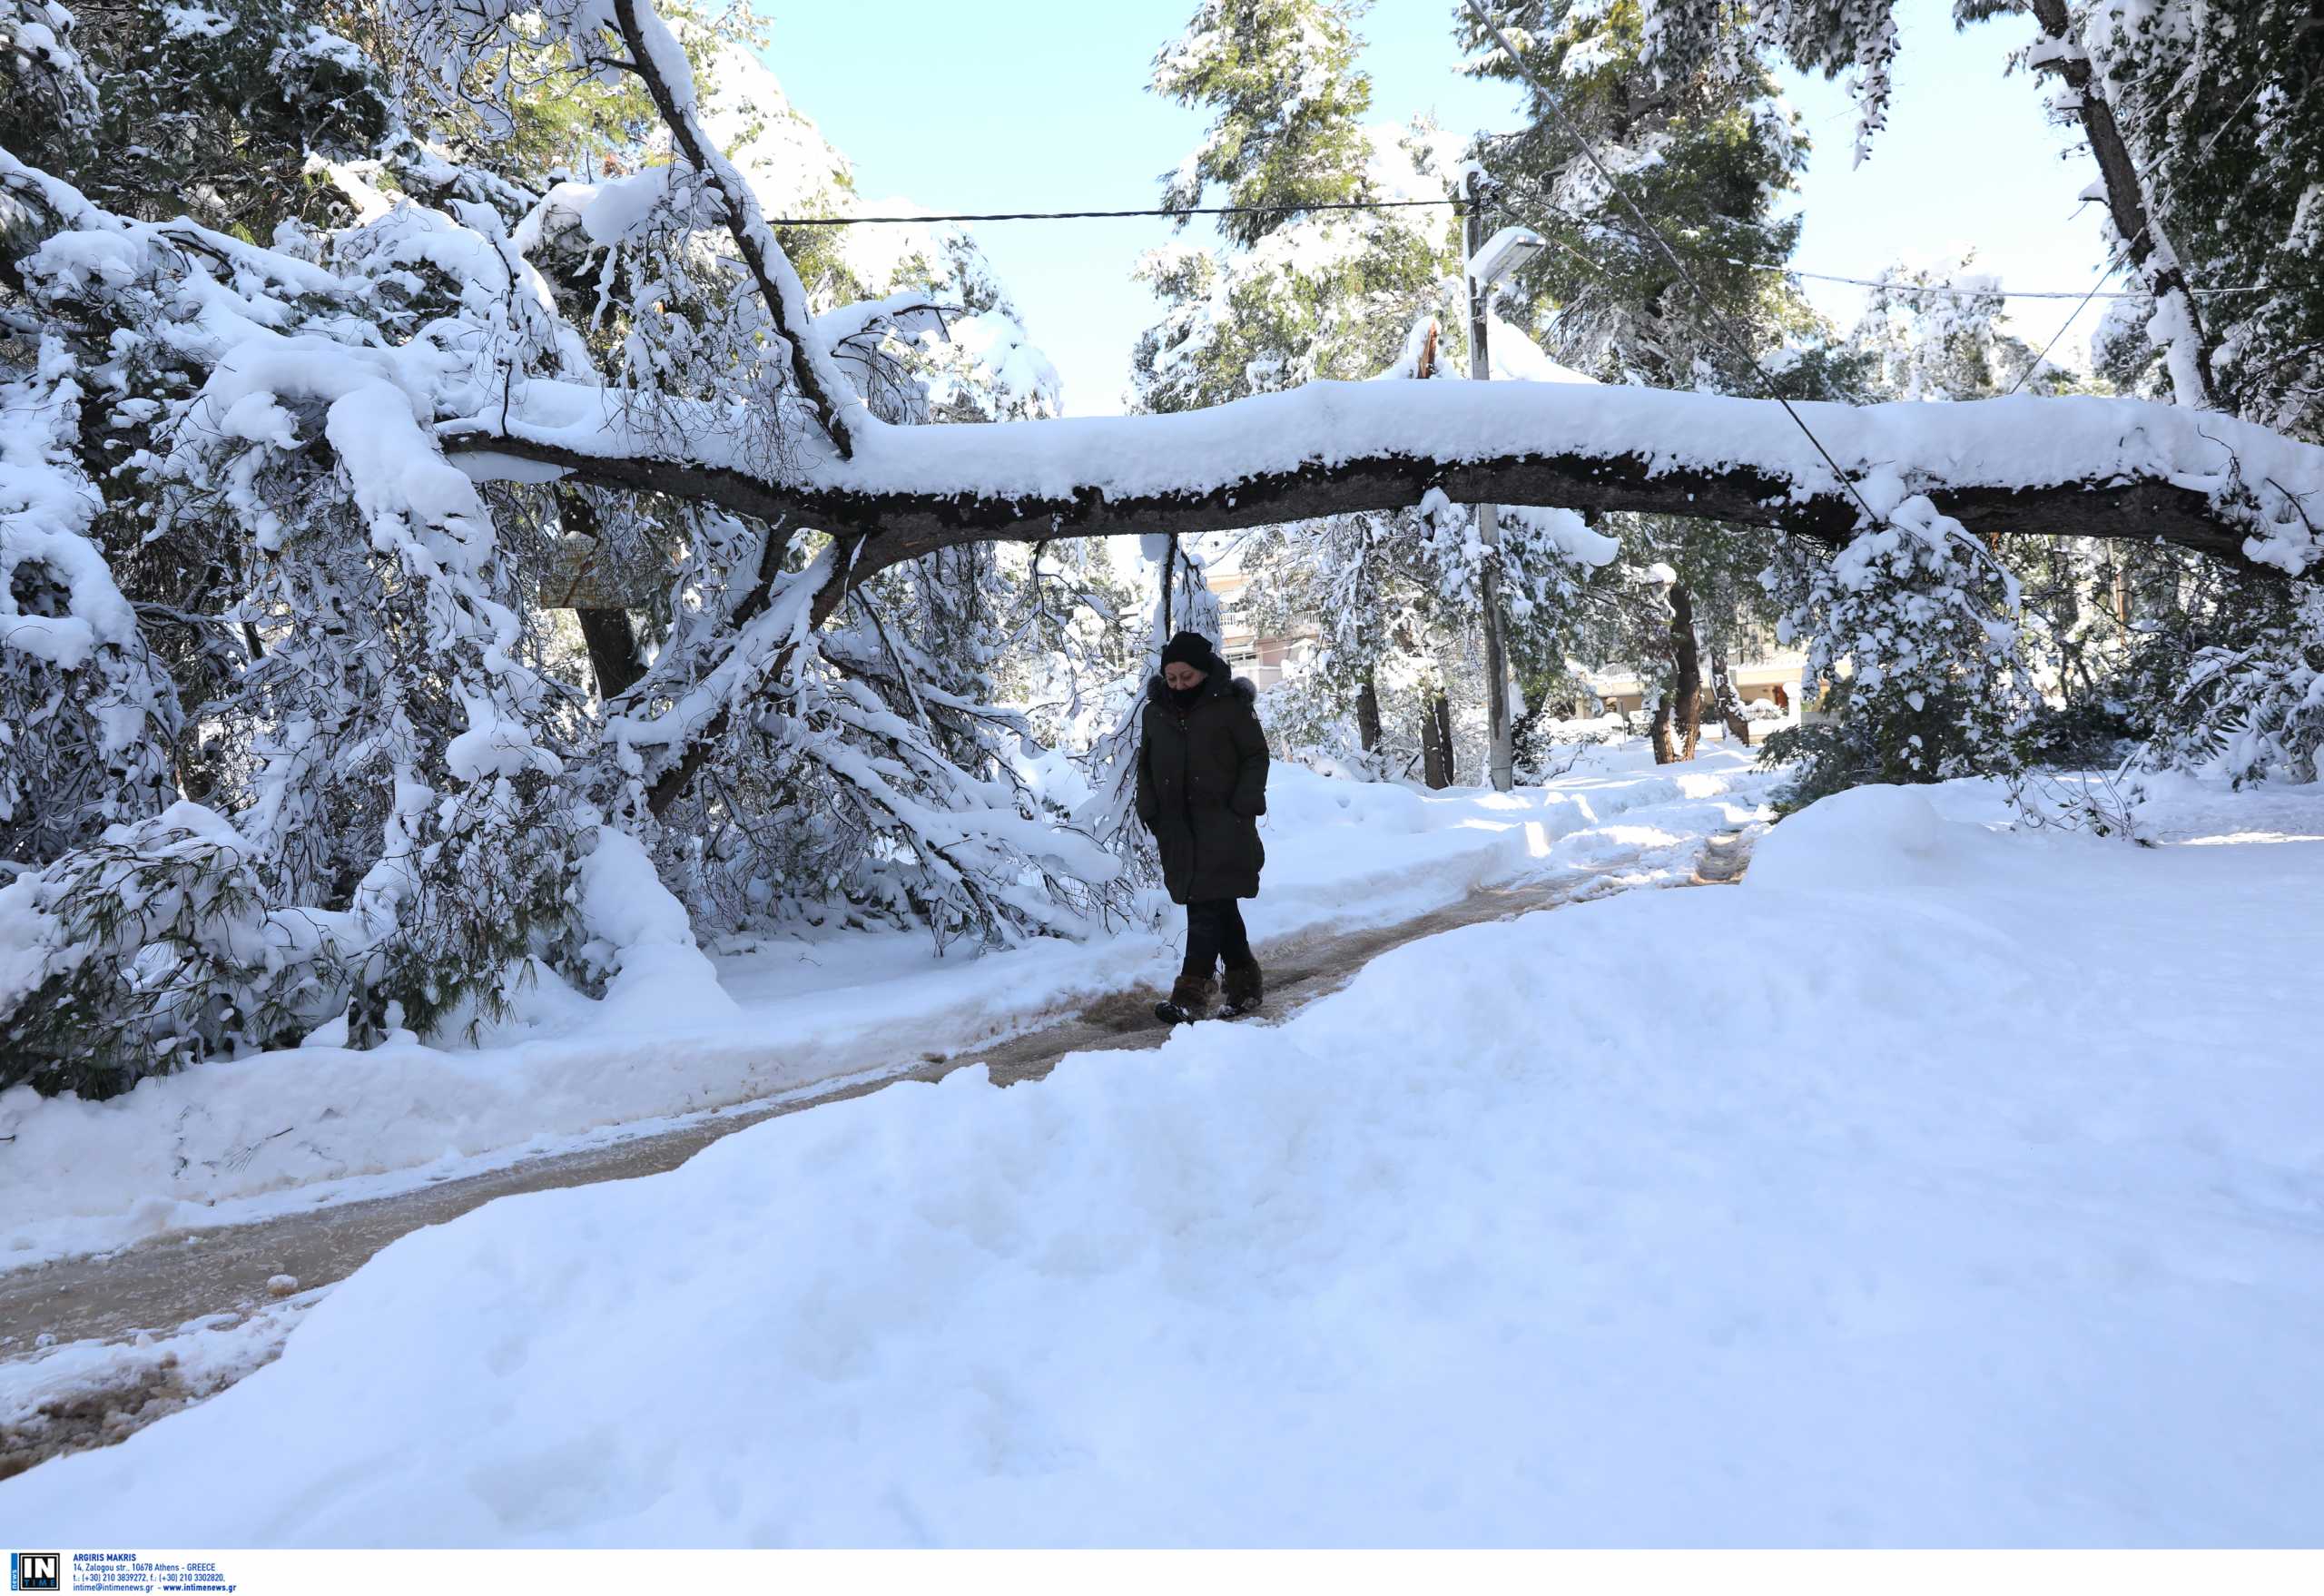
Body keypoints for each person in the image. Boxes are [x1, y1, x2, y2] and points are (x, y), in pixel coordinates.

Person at [1136, 630, 1269, 1020]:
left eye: (1187, 678)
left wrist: (1242, 805)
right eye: (1172, 678)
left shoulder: (1230, 706)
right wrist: (1151, 810)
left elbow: (1256, 756)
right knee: (1218, 905)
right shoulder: (1155, 711)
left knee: (1205, 908)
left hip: (1223, 824)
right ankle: (1245, 986)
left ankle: (1189, 997)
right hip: (1177, 828)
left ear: (1204, 673)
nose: (1178, 686)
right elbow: (1145, 764)